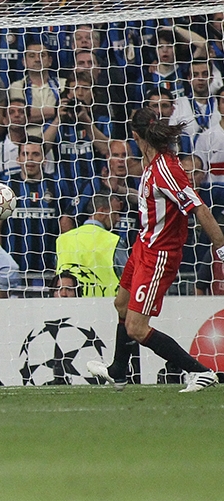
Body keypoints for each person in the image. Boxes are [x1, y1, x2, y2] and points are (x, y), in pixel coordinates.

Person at [88, 107, 224, 393]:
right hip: (142, 245)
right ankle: (118, 371)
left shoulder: (167, 170)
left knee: (136, 327)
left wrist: (221, 248)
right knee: (121, 304)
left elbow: (198, 207)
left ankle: (201, 372)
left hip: (159, 254)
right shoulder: (152, 164)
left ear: (135, 136)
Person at [55, 193, 125, 298]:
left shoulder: (63, 239)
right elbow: (128, 276)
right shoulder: (113, 241)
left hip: (67, 306)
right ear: (101, 212)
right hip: (103, 307)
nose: (118, 219)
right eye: (115, 213)